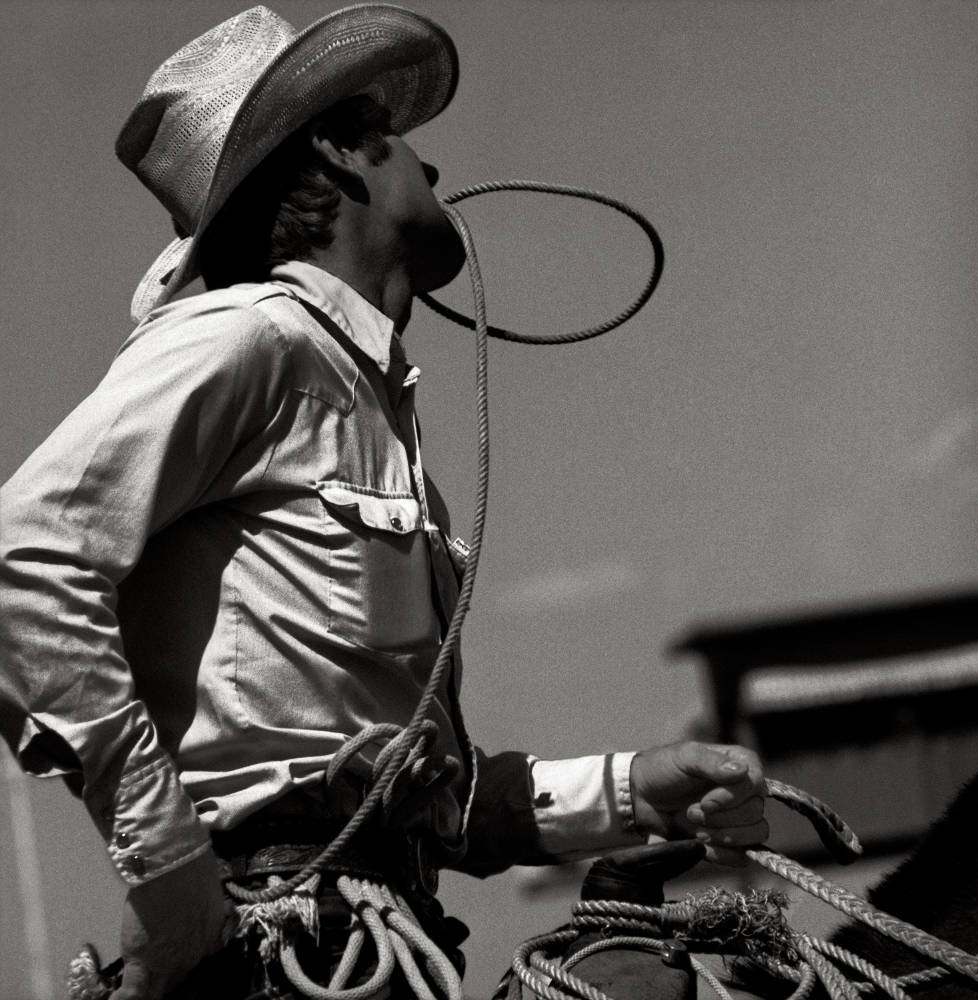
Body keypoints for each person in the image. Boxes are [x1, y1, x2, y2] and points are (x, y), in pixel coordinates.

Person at [0, 6, 768, 999]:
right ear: (342, 149)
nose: (434, 170)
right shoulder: (251, 339)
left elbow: (427, 807)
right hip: (273, 954)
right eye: (401, 137)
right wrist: (171, 872)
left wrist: (630, 788)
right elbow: (24, 555)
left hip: (378, 945)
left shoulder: (368, 407)